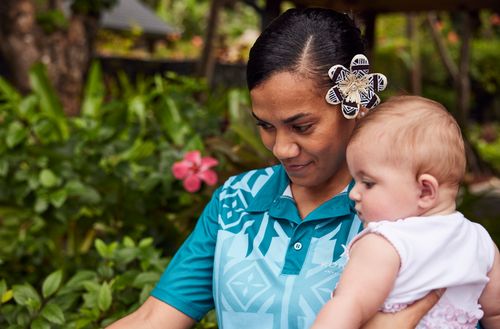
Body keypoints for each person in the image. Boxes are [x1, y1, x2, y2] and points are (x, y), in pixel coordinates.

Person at [107, 8, 443, 329]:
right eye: (266, 126)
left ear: (354, 105)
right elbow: (153, 318)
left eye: (302, 126)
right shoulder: (236, 203)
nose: (281, 148)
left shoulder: (407, 213)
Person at [312, 96, 500, 329]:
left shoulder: (386, 243)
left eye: (367, 183)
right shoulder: (481, 242)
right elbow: (495, 313)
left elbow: (349, 305)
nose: (353, 193)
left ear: (425, 191)